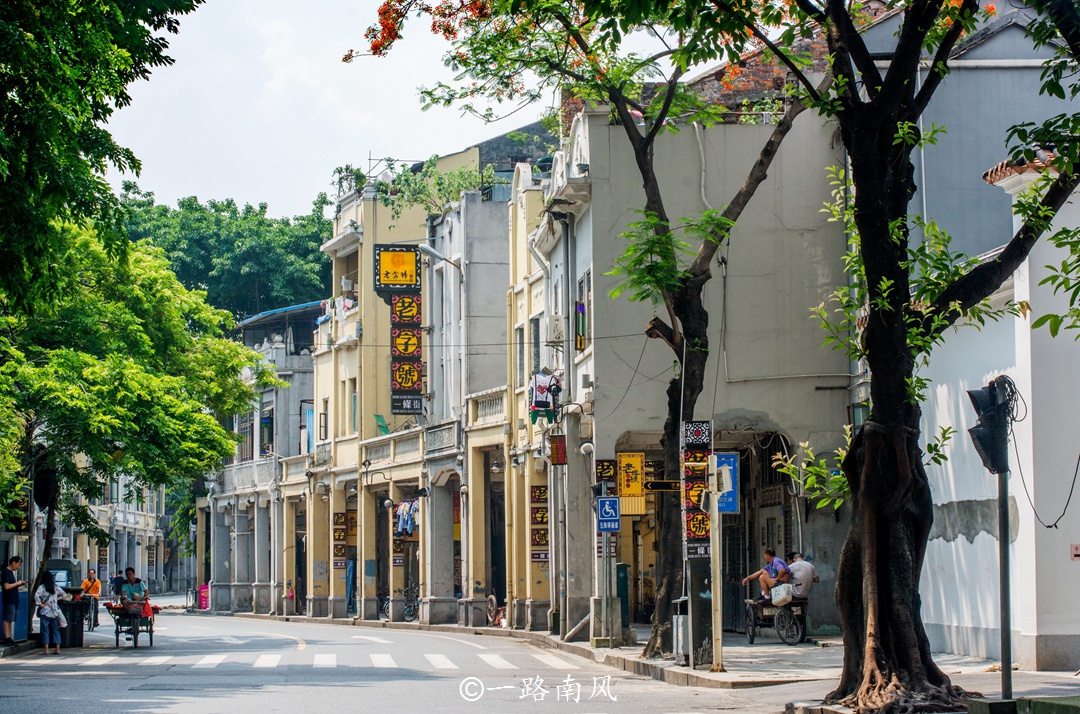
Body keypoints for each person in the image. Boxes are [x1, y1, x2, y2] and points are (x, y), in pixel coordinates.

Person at [35, 569, 67, 655]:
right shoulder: (55, 587)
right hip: (54, 612)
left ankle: (46, 650)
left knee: (45, 631)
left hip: (45, 612)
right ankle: (57, 649)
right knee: (56, 630)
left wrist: (40, 604)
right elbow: (65, 595)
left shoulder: (42, 587)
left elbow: (36, 596)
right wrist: (57, 598)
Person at [3, 556, 29, 645]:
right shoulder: (6, 572)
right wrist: (17, 583)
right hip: (9, 599)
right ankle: (7, 638)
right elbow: (6, 586)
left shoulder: (11, 573)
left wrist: (20, 584)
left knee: (11, 619)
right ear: (13, 563)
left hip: (14, 598)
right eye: (18, 564)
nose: (18, 567)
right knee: (7, 618)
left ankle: (9, 637)